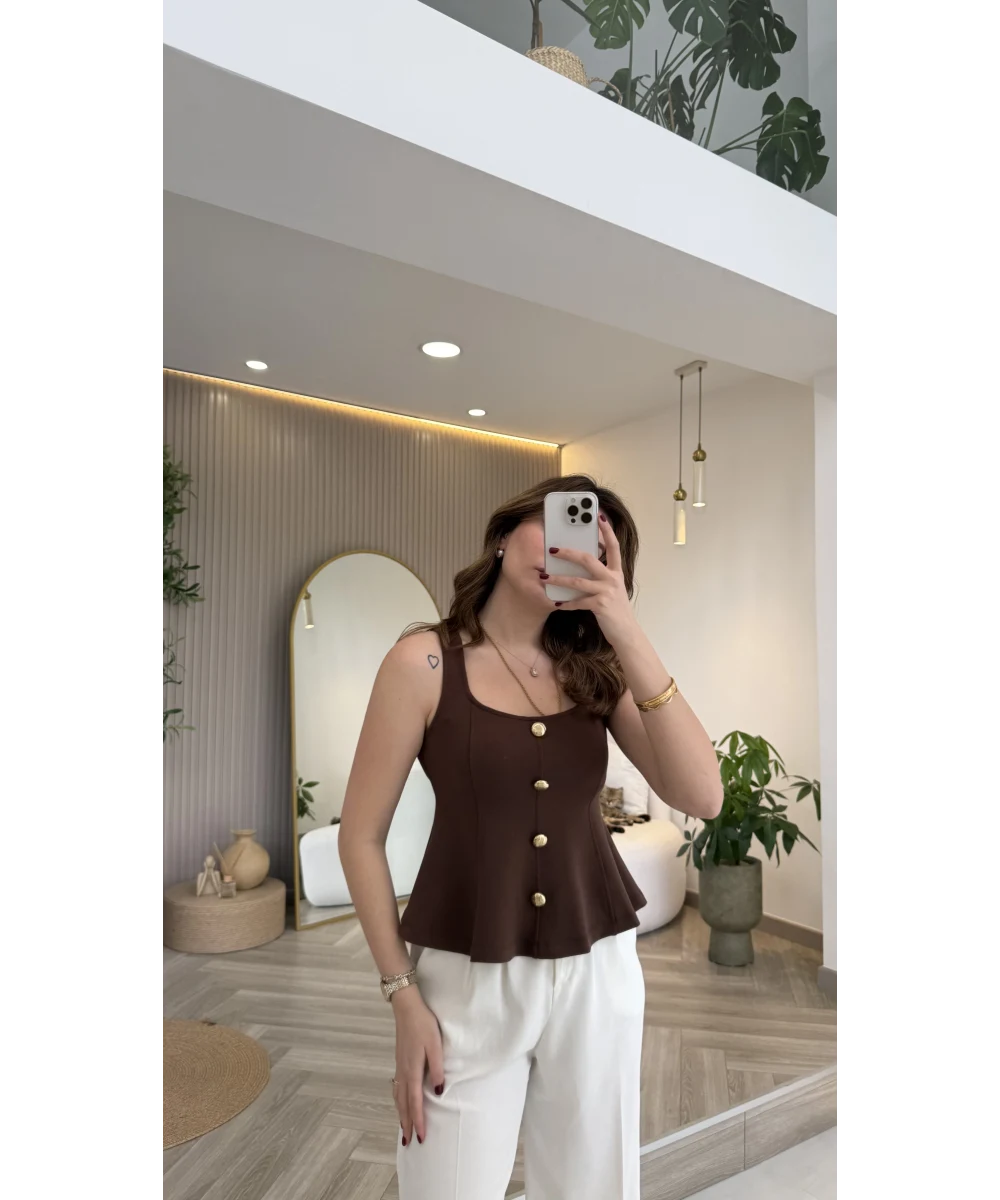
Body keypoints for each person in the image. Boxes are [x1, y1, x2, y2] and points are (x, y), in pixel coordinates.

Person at [338, 474, 722, 1199]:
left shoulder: (595, 672)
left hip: (598, 970)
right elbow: (360, 837)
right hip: (466, 976)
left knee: (596, 1186)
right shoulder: (423, 663)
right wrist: (402, 996)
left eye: (594, 548)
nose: (566, 550)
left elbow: (702, 794)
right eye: (558, 523)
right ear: (505, 531)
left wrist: (623, 625)